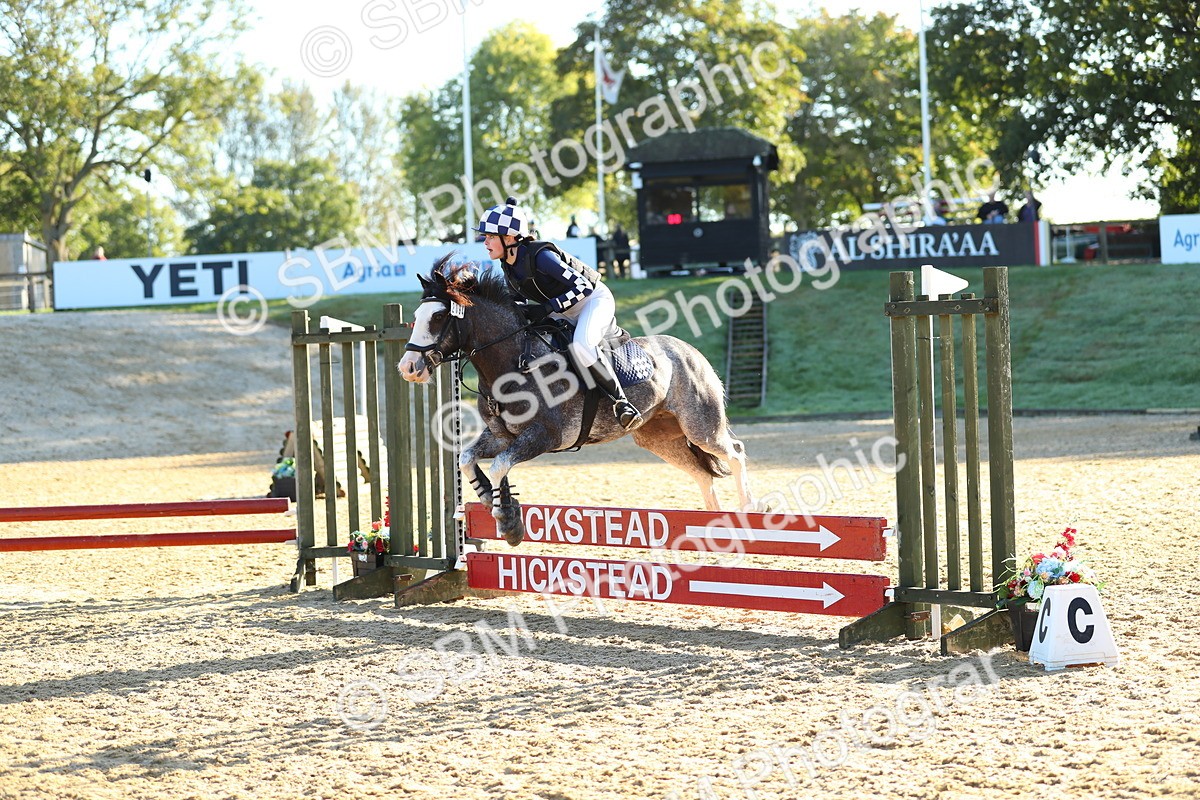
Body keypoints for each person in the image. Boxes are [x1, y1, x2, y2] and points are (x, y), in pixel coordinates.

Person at [475, 197, 642, 430]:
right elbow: (517, 304)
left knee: (582, 346)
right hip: (563, 309)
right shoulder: (508, 265)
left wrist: (547, 308)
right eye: (486, 237)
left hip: (593, 301)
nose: (485, 242)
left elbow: (583, 287)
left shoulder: (541, 256)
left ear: (510, 237)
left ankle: (622, 403)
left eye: (491, 236)